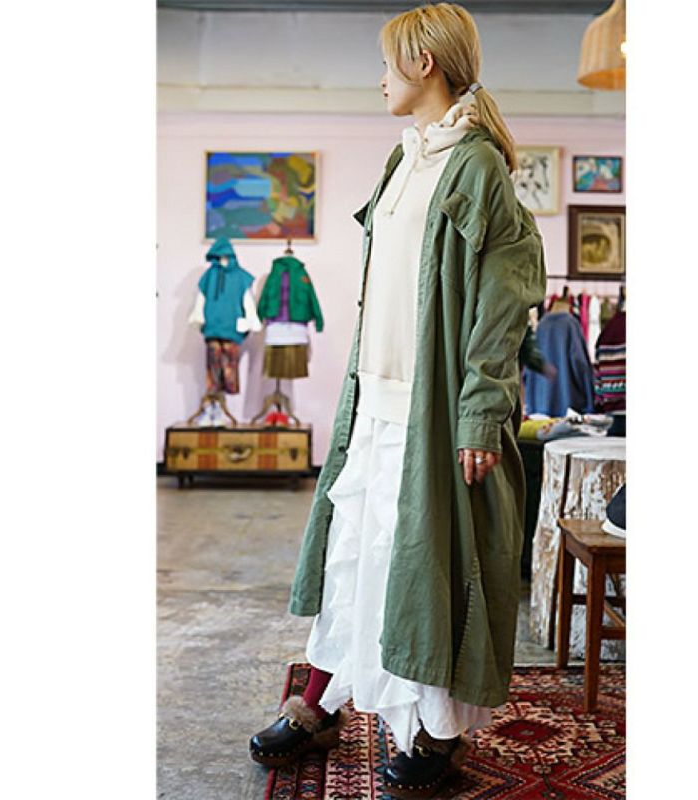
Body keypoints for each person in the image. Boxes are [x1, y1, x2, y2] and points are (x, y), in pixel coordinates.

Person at [249, 3, 546, 795]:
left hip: (430, 412)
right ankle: (322, 700)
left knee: (420, 568)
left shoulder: (475, 166)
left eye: (387, 63)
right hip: (373, 403)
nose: (379, 78)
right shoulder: (403, 157)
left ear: (423, 63)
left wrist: (481, 410)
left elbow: (504, 299)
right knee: (356, 556)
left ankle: (435, 732)